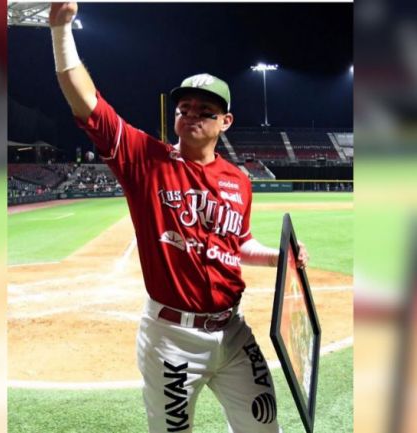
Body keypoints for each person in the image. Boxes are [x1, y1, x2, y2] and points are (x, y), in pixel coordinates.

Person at [48, 3, 308, 432]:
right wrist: (60, 31)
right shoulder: (144, 159)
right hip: (172, 338)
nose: (191, 116)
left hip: (233, 331)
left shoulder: (238, 181)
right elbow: (87, 102)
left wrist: (280, 258)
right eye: (184, 107)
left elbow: (238, 244)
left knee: (265, 426)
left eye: (205, 111)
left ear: (225, 121)